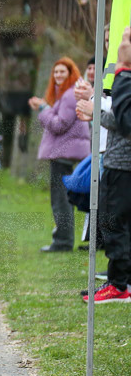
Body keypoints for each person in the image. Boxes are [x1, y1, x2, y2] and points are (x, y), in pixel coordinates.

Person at [29, 56, 89, 252]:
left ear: (71, 73)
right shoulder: (68, 94)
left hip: (64, 153)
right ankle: (63, 239)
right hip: (64, 151)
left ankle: (63, 241)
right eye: (55, 72)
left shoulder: (70, 95)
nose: (58, 75)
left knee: (60, 198)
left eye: (63, 71)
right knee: (61, 197)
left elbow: (59, 124)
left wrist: (44, 110)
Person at [89, 27, 131, 303]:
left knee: (112, 221)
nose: (115, 45)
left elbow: (125, 120)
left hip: (121, 162)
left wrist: (123, 71)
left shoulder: (123, 75)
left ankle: (119, 284)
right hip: (117, 158)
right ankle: (119, 280)